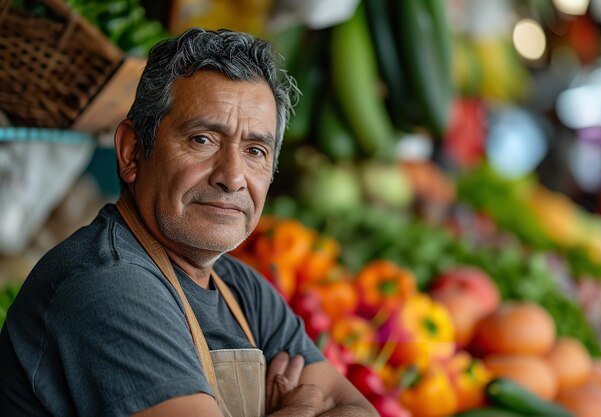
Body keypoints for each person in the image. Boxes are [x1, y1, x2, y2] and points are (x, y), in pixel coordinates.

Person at [0, 28, 378, 417]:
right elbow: (328, 401)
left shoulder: (242, 290)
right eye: (203, 139)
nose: (232, 176)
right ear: (132, 152)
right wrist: (301, 406)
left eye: (254, 150)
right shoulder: (107, 285)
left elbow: (356, 409)